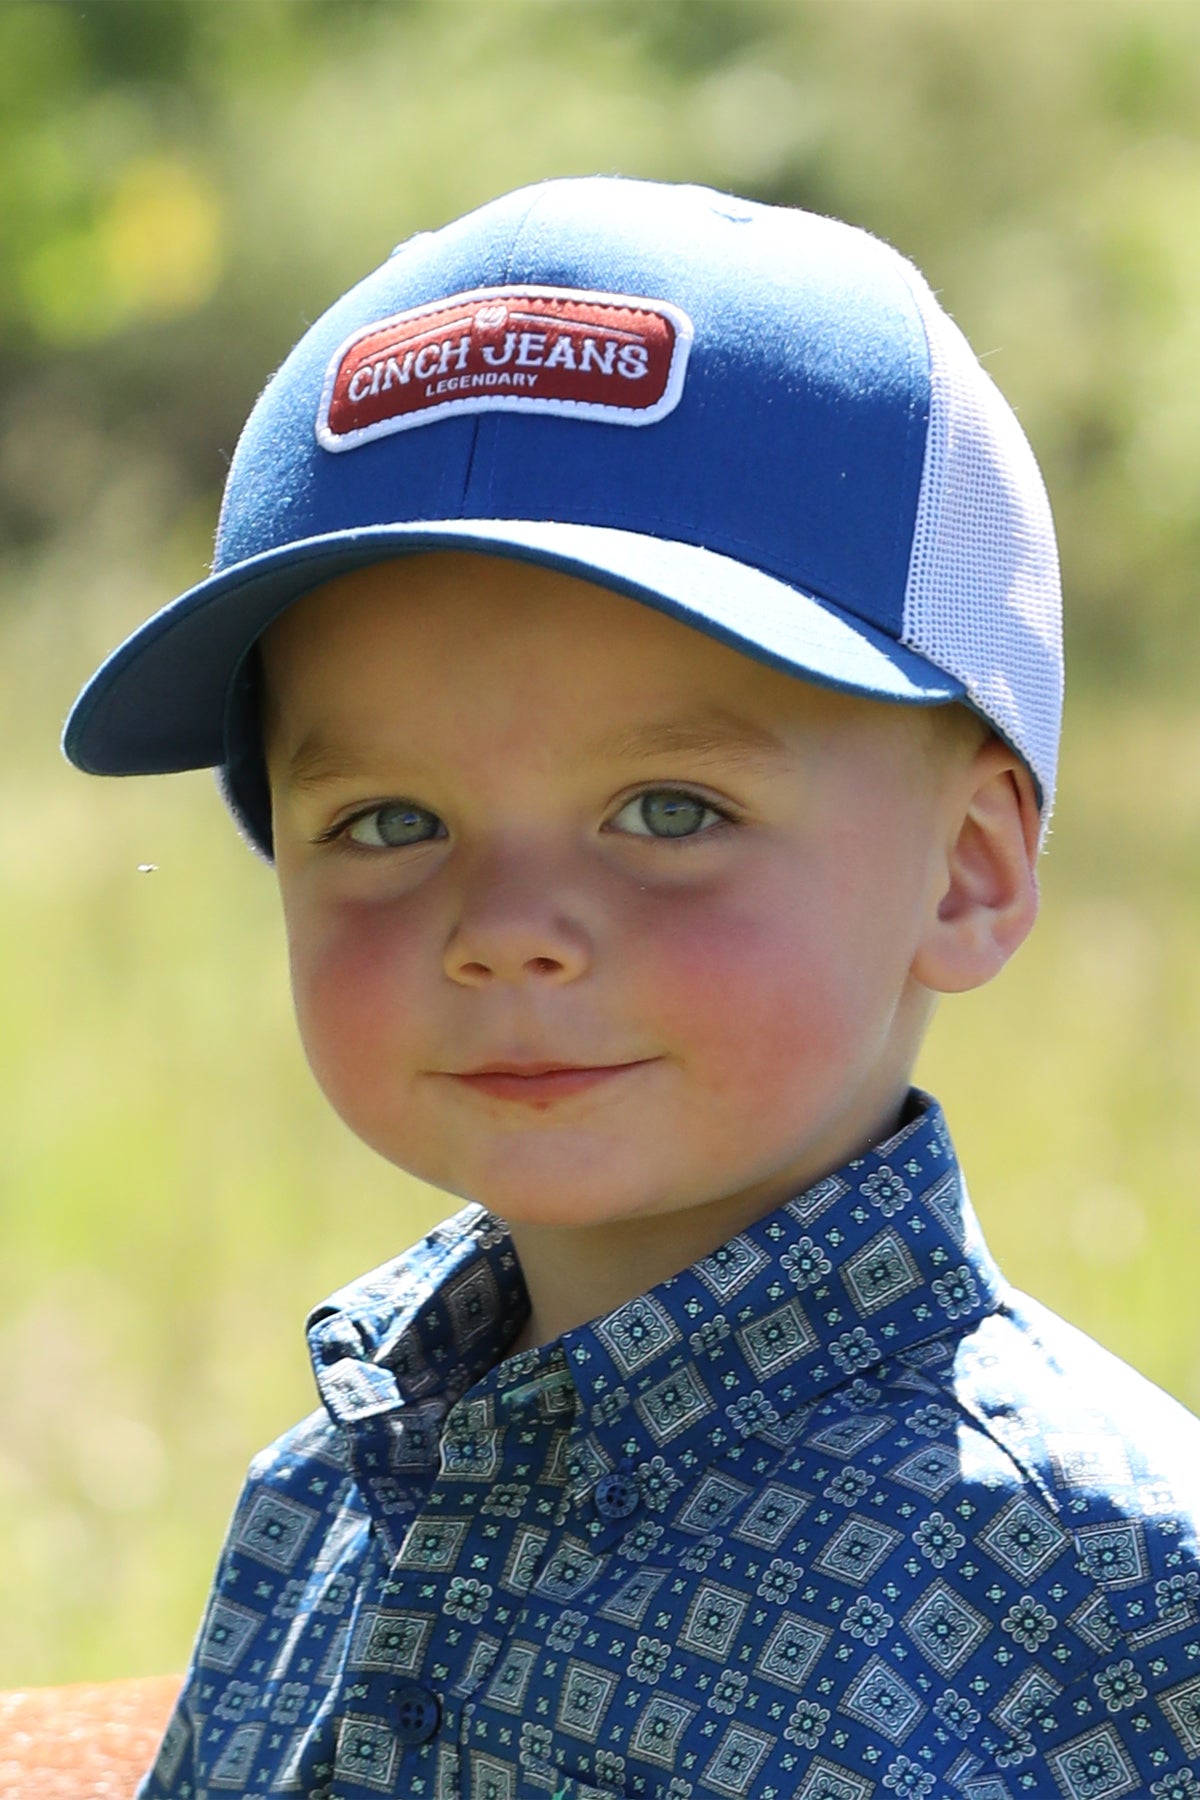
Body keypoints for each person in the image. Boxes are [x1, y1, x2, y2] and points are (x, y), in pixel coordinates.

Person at [65, 177, 1200, 1800]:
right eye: (388, 821)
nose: (506, 928)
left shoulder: (1113, 1592)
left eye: (670, 813)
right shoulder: (325, 1495)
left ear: (966, 868)